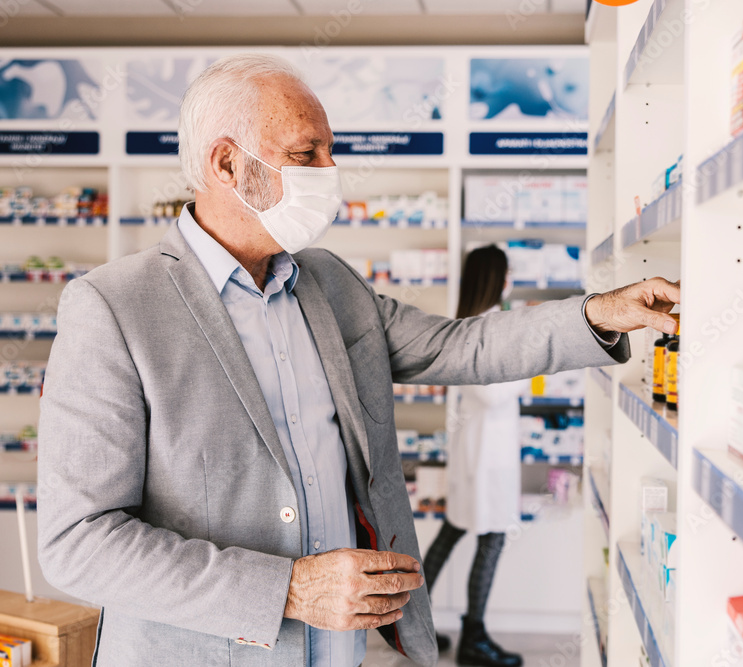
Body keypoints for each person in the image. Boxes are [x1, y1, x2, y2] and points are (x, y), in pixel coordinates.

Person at [36, 53, 680, 667]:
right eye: (304, 153)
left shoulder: (328, 283)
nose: (329, 169)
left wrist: (599, 314)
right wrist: (287, 589)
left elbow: (460, 344)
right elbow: (79, 543)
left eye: (329, 149)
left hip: (341, 649)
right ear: (228, 163)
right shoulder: (113, 307)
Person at [422, 245, 527, 667]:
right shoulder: (480, 330)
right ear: (495, 279)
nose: (510, 280)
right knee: (491, 537)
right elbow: (492, 392)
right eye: (507, 273)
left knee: (455, 532)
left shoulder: (475, 325)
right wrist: (536, 363)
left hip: (482, 453)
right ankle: (473, 637)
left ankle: (410, 625)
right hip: (485, 458)